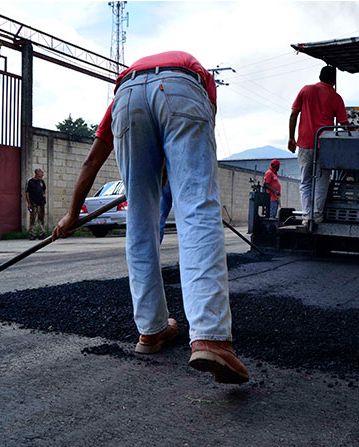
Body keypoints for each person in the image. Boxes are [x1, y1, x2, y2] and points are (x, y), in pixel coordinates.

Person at [52, 51, 249, 384]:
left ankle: (151, 330)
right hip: (181, 86)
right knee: (197, 210)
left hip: (126, 97)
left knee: (140, 224)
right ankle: (210, 337)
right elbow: (188, 162)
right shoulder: (200, 78)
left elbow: (91, 162)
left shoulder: (125, 91)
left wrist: (71, 213)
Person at [288, 66, 349, 226]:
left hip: (305, 143)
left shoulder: (306, 90)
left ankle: (307, 218)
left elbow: (294, 113)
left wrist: (291, 138)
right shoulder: (336, 97)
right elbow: (344, 125)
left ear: (320, 76)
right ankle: (317, 216)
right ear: (334, 81)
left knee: (305, 181)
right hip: (326, 146)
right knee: (322, 182)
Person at [25, 168, 47, 239]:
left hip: (41, 203)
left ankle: (42, 234)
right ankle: (32, 234)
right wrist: (29, 203)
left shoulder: (42, 181)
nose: (43, 174)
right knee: (32, 219)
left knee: (41, 219)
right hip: (33, 203)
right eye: (42, 173)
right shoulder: (30, 181)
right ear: (37, 172)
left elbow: (44, 191)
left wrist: (44, 197)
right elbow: (27, 193)